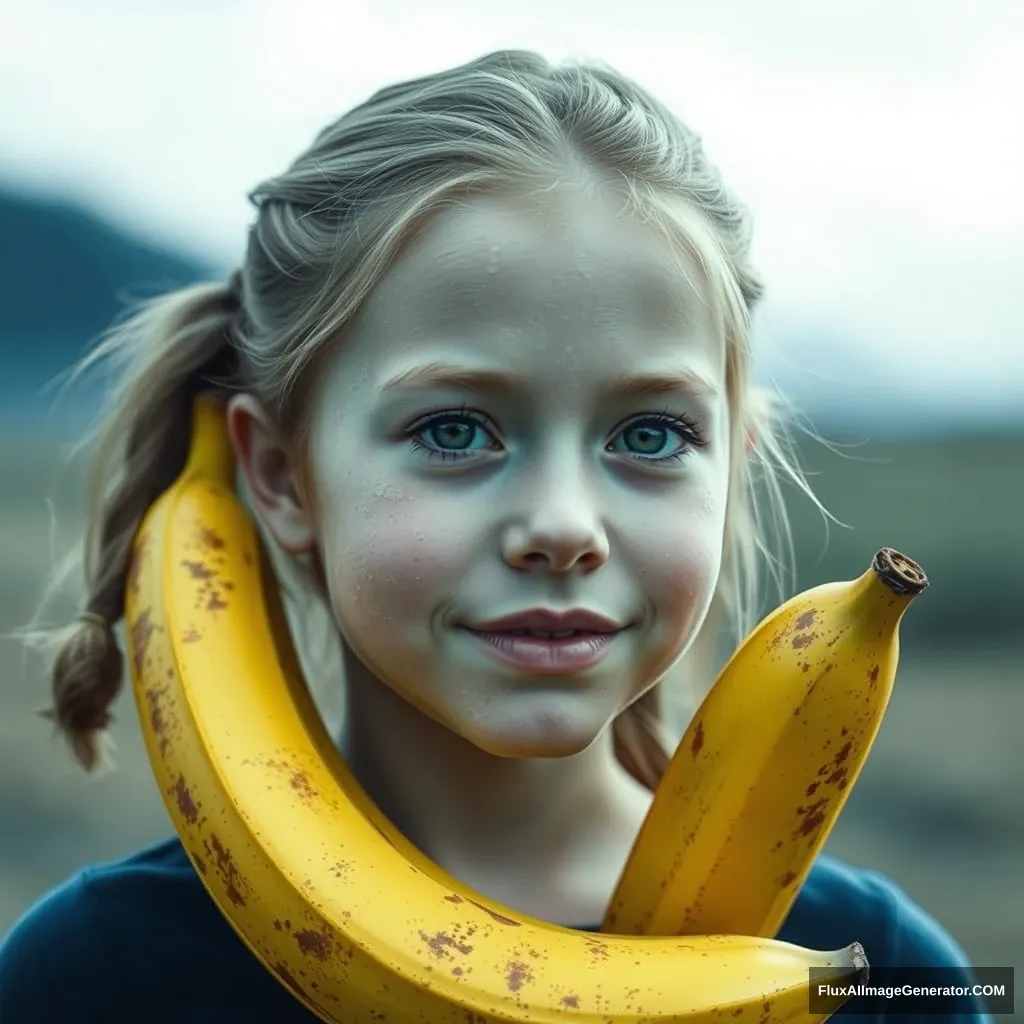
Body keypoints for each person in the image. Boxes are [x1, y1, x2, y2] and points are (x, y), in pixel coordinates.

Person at [0, 50, 992, 1023]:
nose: (562, 525)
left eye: (650, 434)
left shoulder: (880, 980)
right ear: (281, 475)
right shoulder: (93, 978)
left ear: (729, 466)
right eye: (453, 430)